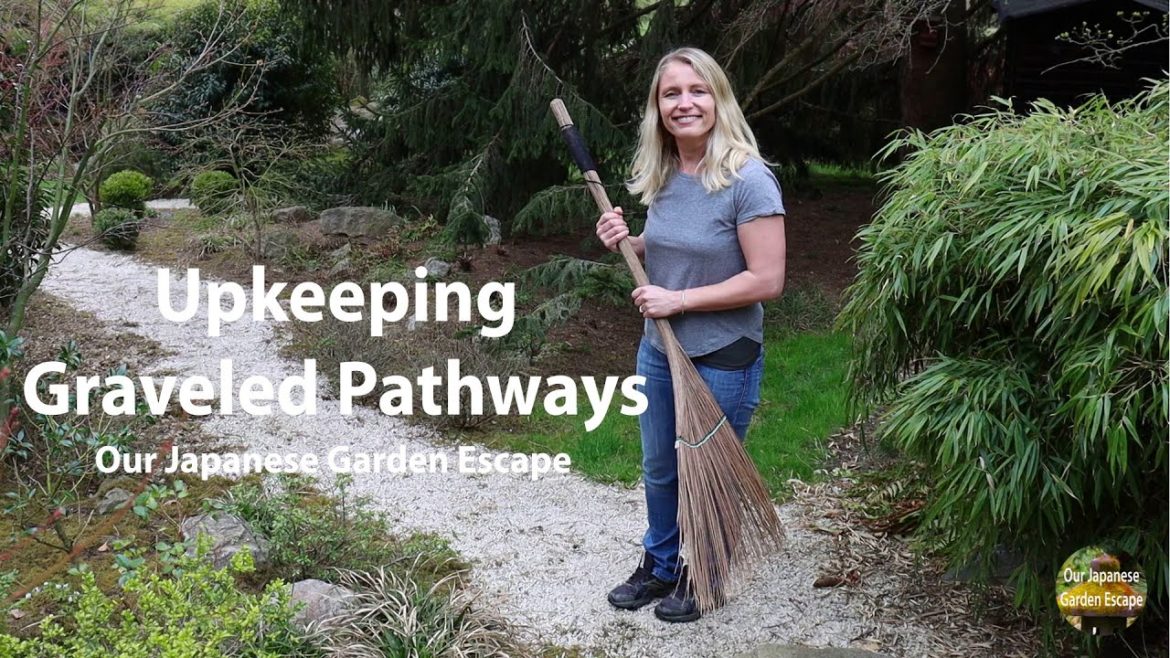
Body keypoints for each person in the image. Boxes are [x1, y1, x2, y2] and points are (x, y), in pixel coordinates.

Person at [595, 47, 786, 623]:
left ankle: (704, 572)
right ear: (658, 108)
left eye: (697, 91)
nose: (685, 103)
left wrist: (677, 300)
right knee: (660, 466)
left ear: (719, 99)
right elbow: (675, 245)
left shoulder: (748, 179)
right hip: (659, 350)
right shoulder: (662, 173)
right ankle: (659, 563)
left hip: (723, 354)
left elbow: (767, 279)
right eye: (671, 93)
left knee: (710, 471)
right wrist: (628, 242)